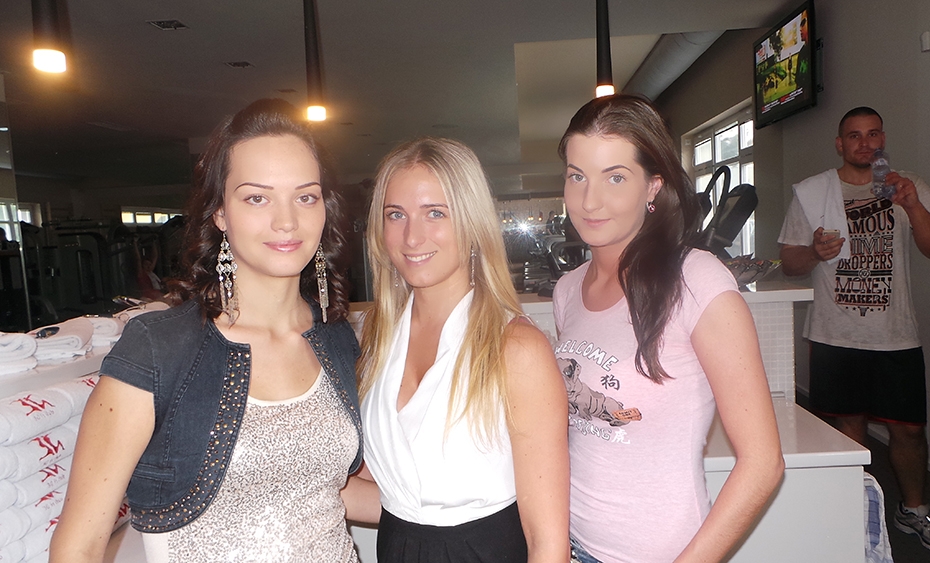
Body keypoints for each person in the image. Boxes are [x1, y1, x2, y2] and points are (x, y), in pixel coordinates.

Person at [50, 99, 379, 562]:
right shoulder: (158, 350)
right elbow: (79, 545)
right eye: (257, 198)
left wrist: (463, 507)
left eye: (305, 196)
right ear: (220, 213)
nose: (287, 221)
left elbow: (325, 490)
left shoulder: (335, 338)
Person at [553, 94, 784, 563]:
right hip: (571, 545)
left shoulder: (696, 279)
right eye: (577, 176)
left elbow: (763, 464)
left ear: (653, 186)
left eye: (615, 177)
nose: (589, 200)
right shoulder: (568, 289)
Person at [357, 137, 569, 562]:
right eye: (396, 214)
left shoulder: (517, 349)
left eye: (435, 213)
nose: (412, 236)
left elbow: (548, 541)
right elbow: (397, 500)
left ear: (472, 223)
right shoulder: (375, 338)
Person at [778, 106, 930, 552]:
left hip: (895, 334)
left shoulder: (906, 186)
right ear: (840, 144)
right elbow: (790, 262)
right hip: (835, 335)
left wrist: (912, 205)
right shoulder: (814, 192)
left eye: (873, 134)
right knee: (847, 428)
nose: (865, 143)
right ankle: (853, 514)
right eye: (854, 136)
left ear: (883, 139)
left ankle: (913, 510)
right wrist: (815, 252)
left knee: (909, 431)